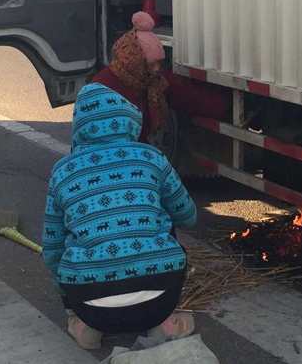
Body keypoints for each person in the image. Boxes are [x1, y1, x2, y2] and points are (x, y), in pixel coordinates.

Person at [42, 83, 197, 350]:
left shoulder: (62, 172)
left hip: (88, 302)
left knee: (76, 235)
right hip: (160, 296)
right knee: (162, 220)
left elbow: (52, 248)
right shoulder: (151, 158)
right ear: (128, 121)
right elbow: (188, 217)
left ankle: (86, 327)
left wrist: (69, 301)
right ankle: (162, 323)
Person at [92, 11, 229, 143]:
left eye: (159, 62)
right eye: (151, 64)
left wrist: (226, 107)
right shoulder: (103, 88)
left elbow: (190, 97)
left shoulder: (154, 80)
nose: (157, 68)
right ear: (135, 61)